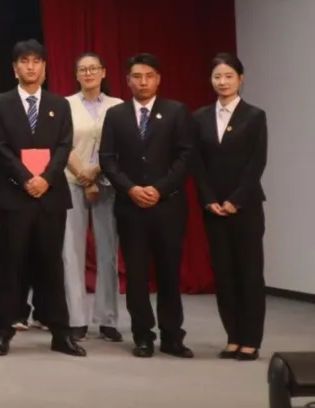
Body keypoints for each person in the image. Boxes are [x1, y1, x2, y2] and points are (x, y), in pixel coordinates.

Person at [0, 40, 84, 358]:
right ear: (14, 68)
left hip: (50, 196)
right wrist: (27, 178)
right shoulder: (0, 104)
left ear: (44, 67)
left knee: (52, 265)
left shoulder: (59, 104)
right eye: (24, 61)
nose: (31, 66)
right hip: (15, 195)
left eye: (36, 61)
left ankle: (61, 333)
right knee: (10, 265)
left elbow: (64, 146)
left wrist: (46, 179)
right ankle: (3, 332)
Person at [100, 53, 195, 359]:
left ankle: (172, 336)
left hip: (168, 206)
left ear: (158, 79)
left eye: (149, 76)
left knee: (169, 274)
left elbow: (185, 156)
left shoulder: (176, 111)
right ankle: (142, 336)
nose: (143, 82)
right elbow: (107, 159)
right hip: (131, 207)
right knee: (137, 276)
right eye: (137, 76)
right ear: (127, 81)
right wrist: (130, 188)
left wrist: (159, 188)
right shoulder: (116, 114)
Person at [193, 53, 267, 361]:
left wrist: (235, 200)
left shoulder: (255, 116)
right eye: (217, 77)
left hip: (245, 207)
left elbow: (257, 163)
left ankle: (250, 339)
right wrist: (209, 199)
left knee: (249, 273)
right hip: (213, 209)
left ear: (240, 78)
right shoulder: (199, 117)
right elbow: (197, 164)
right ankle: (233, 337)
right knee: (223, 275)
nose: (222, 82)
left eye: (228, 76)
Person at [62, 53, 124, 342]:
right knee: (71, 253)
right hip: (71, 182)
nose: (88, 73)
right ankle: (76, 319)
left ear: (103, 72)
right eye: (83, 69)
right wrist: (82, 173)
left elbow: (120, 145)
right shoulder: (65, 105)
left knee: (108, 252)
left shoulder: (118, 106)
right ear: (76, 75)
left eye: (93, 68)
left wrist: (96, 171)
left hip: (108, 183)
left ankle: (107, 318)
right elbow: (61, 143)